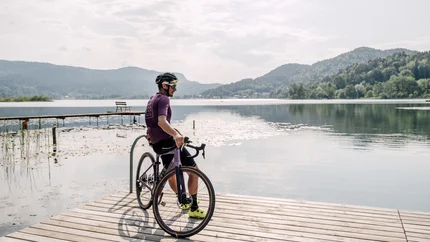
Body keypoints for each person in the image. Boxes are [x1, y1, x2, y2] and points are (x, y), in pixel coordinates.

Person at [144, 72, 206, 219]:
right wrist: (176, 135)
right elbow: (161, 122)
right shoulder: (164, 99)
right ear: (165, 86)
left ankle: (182, 199)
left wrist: (174, 131)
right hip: (167, 143)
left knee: (170, 171)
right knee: (194, 172)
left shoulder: (153, 98)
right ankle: (194, 208)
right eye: (173, 86)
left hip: (157, 144)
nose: (175, 89)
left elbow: (152, 123)